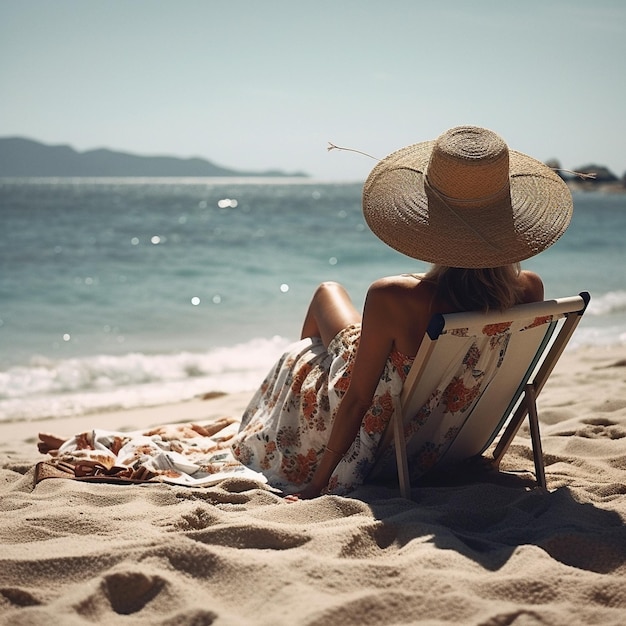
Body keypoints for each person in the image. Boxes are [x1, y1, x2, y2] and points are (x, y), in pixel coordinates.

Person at [230, 125, 573, 499]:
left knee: (324, 298)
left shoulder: (394, 296)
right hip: (442, 441)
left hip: (379, 432)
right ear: (510, 223)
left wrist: (319, 482)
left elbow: (358, 399)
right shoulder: (530, 289)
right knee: (329, 313)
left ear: (431, 222)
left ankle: (294, 410)